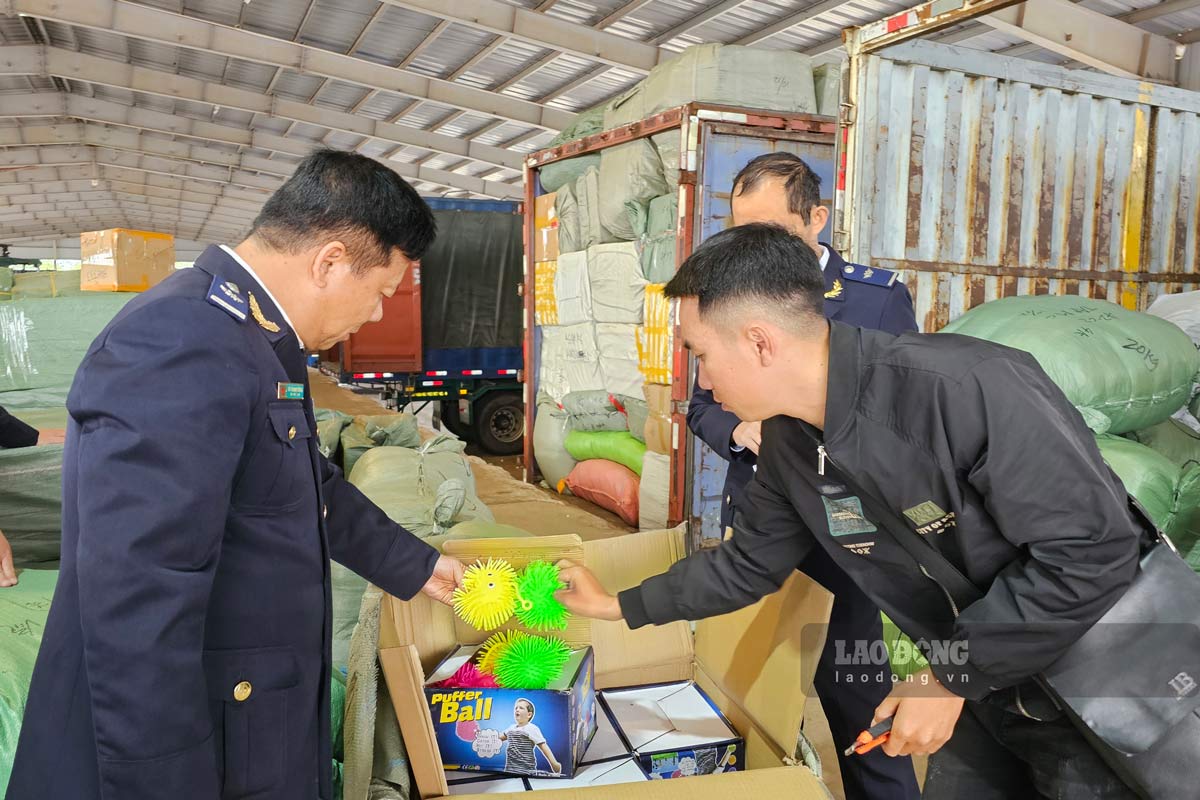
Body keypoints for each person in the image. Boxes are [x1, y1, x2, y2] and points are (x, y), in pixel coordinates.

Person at [557, 223, 1147, 799]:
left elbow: (1091, 553)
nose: (702, 381)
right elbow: (746, 565)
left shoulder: (967, 387)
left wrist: (947, 677)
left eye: (701, 355)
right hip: (985, 684)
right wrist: (617, 605)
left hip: (1103, 685)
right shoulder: (790, 443)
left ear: (760, 342)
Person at [7, 150, 466, 800]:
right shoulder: (181, 341)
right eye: (380, 293)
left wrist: (418, 568)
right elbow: (138, 597)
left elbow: (300, 482)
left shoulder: (248, 336)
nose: (374, 316)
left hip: (245, 725)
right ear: (330, 261)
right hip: (179, 754)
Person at [688, 153, 919, 799]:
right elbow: (701, 405)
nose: (754, 248)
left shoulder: (875, 298)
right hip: (759, 525)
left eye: (771, 229)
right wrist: (739, 431)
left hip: (845, 537)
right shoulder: (727, 293)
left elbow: (901, 409)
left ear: (816, 218)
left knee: (855, 693)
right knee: (745, 687)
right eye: (740, 232)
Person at [499, 698, 561, 774]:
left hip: (526, 769)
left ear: (529, 714)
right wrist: (487, 737)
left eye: (521, 708)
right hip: (510, 769)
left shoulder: (531, 728)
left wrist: (554, 763)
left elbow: (543, 746)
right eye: (516, 708)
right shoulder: (511, 728)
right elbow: (499, 738)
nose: (517, 710)